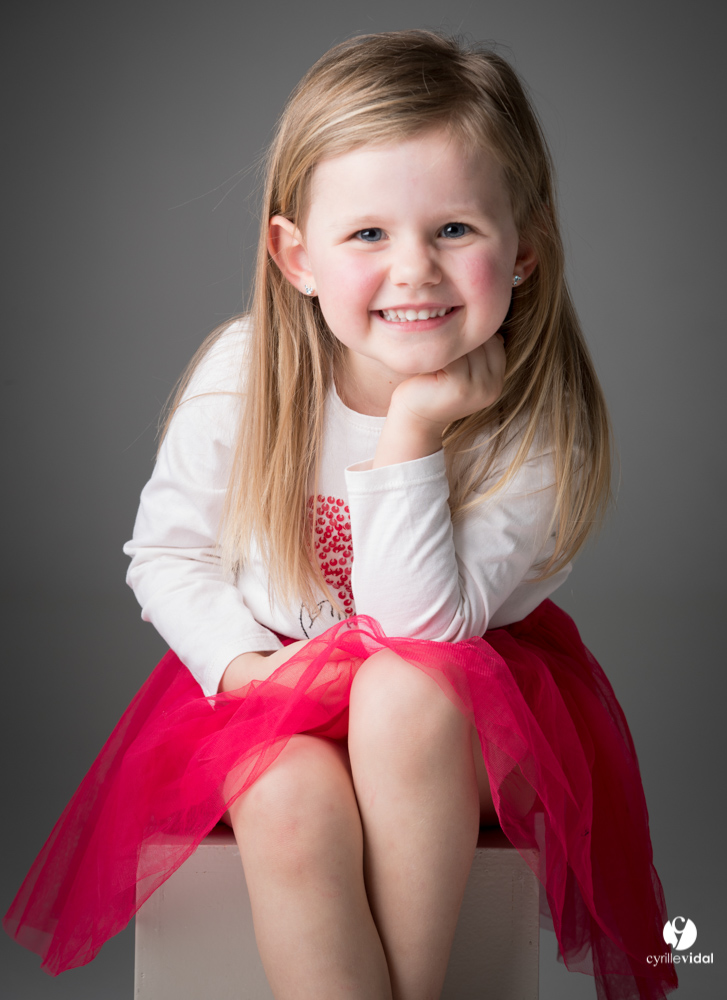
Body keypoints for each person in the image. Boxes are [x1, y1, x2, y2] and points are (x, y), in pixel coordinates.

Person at [4, 29, 677, 1000]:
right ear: (297, 255)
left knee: (403, 690)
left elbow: (420, 634)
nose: (414, 270)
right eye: (368, 235)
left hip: (454, 730)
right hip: (274, 689)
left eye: (454, 229)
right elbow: (168, 553)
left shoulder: (532, 424)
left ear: (524, 248)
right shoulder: (249, 371)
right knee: (284, 797)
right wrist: (246, 670)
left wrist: (413, 427)